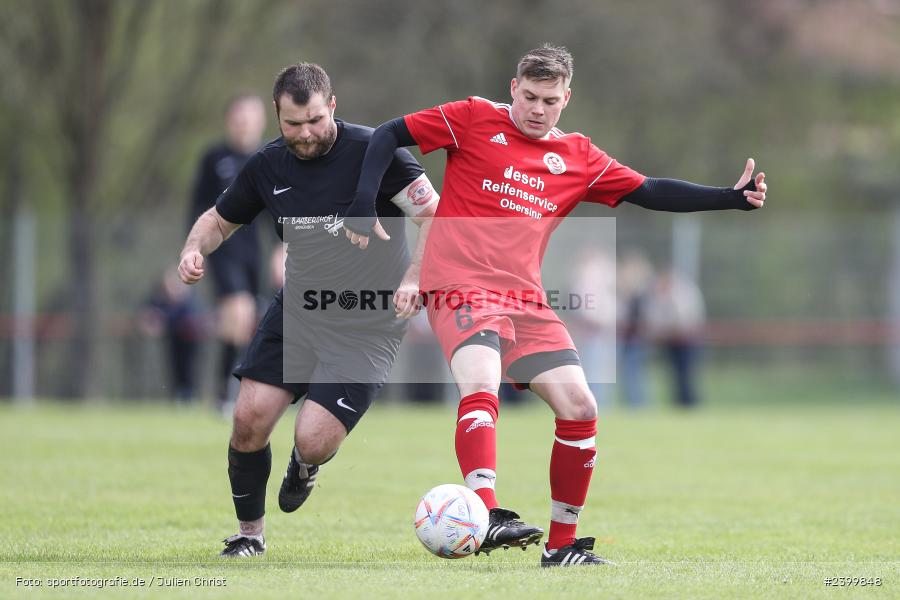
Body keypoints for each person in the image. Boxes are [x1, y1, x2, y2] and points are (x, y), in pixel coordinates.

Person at [346, 44, 767, 567]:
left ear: (566, 98)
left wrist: (728, 197)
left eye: (549, 99)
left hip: (525, 297)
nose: (537, 109)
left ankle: (561, 546)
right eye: (529, 97)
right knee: (481, 379)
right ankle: (486, 509)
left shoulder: (578, 157)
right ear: (513, 90)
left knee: (581, 408)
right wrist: (362, 202)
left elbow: (651, 190)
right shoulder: (473, 118)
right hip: (459, 282)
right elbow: (389, 133)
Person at [178, 62, 438, 557]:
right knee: (249, 419)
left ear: (333, 105)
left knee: (314, 438)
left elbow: (434, 215)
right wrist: (194, 250)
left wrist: (414, 278)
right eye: (292, 124)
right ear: (277, 114)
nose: (305, 134)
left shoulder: (376, 153)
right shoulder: (267, 164)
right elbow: (218, 220)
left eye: (315, 120)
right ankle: (249, 536)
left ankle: (305, 464)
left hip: (368, 324)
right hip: (299, 311)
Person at [189, 94, 267, 414]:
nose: (244, 123)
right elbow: (196, 207)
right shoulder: (214, 158)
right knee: (238, 310)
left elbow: (278, 212)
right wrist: (194, 247)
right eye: (239, 117)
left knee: (242, 321)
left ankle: (227, 389)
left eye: (250, 117)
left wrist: (285, 248)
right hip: (222, 249)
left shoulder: (267, 158)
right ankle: (227, 392)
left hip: (253, 253)